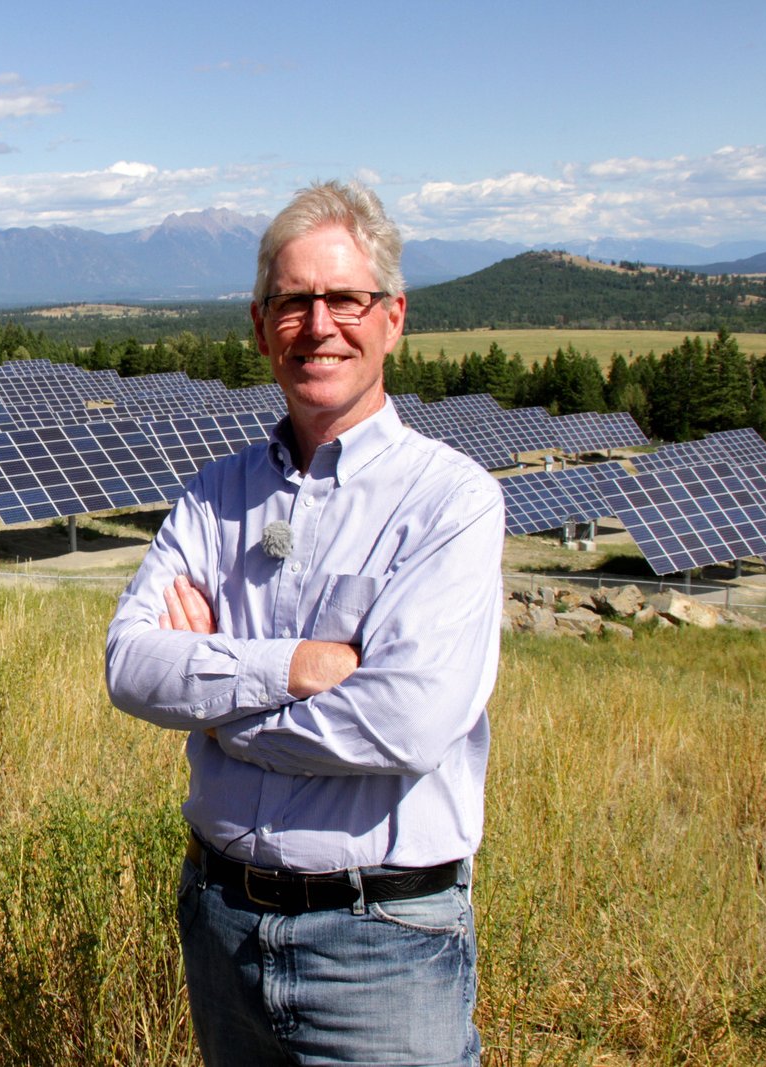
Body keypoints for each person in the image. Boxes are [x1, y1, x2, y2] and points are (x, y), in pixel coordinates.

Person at [105, 179, 503, 1066]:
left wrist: (215, 700)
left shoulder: (451, 503)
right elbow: (130, 663)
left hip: (382, 945)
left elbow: (402, 721)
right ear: (260, 325)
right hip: (220, 925)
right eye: (292, 301)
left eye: (345, 299)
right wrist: (291, 667)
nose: (318, 324)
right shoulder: (216, 494)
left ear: (392, 317)